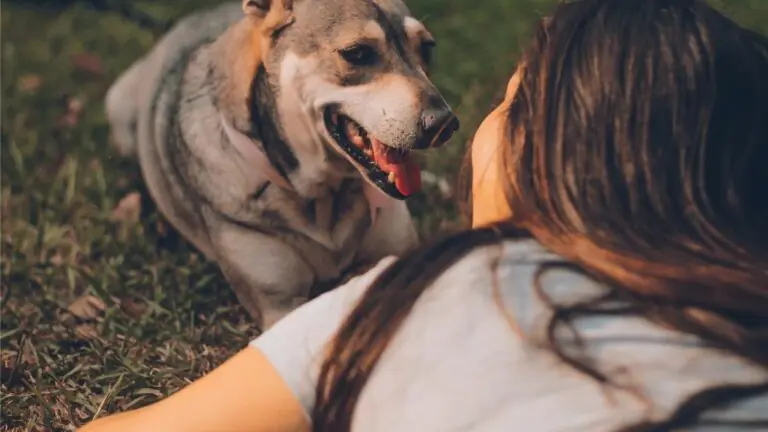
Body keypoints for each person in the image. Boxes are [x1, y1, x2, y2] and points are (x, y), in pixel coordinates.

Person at [79, 0, 768, 430]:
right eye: (360, 56)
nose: (446, 119)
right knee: (120, 105)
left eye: (513, 104)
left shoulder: (407, 302)